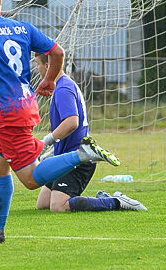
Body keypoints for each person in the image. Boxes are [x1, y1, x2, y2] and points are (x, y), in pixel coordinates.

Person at [0, 0, 121, 244]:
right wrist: (49, 78)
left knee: (31, 179)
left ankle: (82, 154)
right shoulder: (22, 28)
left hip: (8, 113)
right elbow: (57, 52)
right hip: (25, 104)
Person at [33, 53, 146, 212]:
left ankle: (116, 201)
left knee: (58, 206)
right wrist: (52, 152)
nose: (36, 68)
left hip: (79, 159)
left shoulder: (63, 88)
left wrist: (46, 141)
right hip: (64, 158)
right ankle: (104, 198)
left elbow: (72, 122)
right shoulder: (63, 85)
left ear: (47, 65)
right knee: (43, 204)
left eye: (37, 63)